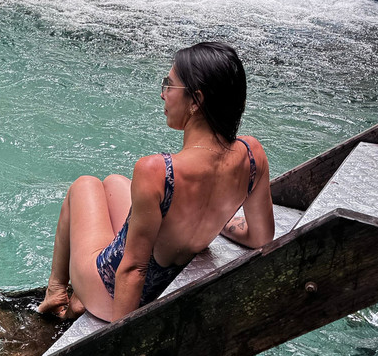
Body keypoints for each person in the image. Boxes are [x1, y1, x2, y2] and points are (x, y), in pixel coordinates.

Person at [37, 41, 274, 322]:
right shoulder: (252, 155)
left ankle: (56, 291)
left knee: (84, 185)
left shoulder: (158, 170)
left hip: (112, 293)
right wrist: (220, 222)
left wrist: (118, 337)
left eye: (169, 85)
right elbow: (260, 237)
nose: (163, 94)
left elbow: (133, 270)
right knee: (114, 182)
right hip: (172, 277)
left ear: (196, 101)